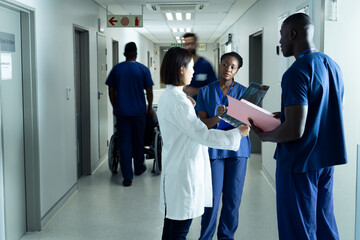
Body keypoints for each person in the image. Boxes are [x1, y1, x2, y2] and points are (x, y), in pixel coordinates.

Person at [250, 13, 347, 239]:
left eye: (282, 35)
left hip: (298, 163)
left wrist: (266, 136)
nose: (280, 41)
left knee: (298, 229)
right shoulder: (332, 65)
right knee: (324, 224)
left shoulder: (296, 72)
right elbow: (321, 111)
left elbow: (295, 130)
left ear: (293, 34)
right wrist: (283, 116)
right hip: (324, 161)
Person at [157, 47, 250, 240]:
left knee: (172, 227)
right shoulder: (183, 101)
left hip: (176, 169)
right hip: (184, 172)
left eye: (233, 66)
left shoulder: (172, 97)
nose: (194, 71)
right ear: (181, 69)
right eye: (191, 67)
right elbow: (203, 135)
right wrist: (237, 134)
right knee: (179, 230)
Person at [196, 52, 251, 240]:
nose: (228, 69)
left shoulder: (245, 93)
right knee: (211, 199)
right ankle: (206, 237)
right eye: (225, 64)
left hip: (238, 151)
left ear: (237, 70)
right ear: (219, 64)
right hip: (214, 151)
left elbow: (248, 123)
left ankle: (226, 237)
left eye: (233, 67)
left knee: (232, 200)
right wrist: (219, 116)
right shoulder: (205, 91)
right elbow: (202, 125)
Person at [106, 42, 155, 187]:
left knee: (124, 143)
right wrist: (150, 107)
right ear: (136, 53)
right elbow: (150, 91)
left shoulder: (117, 69)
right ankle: (139, 168)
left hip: (122, 112)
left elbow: (111, 91)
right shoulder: (142, 69)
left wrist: (115, 106)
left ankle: (127, 176)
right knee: (138, 140)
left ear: (124, 53)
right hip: (139, 112)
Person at [182, 33, 217, 100]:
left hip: (202, 106)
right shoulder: (180, 65)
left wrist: (197, 91)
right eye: (187, 44)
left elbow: (214, 88)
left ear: (196, 45)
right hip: (184, 105)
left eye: (192, 44)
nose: (189, 47)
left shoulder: (205, 65)